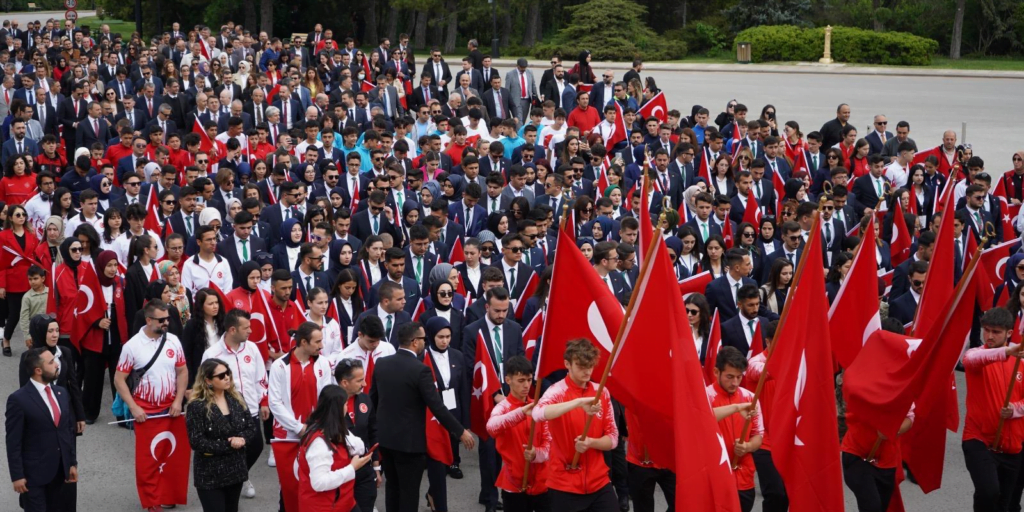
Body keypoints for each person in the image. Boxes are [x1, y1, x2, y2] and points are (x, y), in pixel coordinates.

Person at [371, 321, 475, 512]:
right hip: (410, 445)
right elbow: (437, 406)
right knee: (409, 494)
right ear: (414, 342)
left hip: (387, 440)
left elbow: (374, 401)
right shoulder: (420, 370)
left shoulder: (381, 363)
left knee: (392, 490)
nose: (424, 343)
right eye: (423, 339)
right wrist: (460, 431)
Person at [113, 299, 189, 512]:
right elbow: (119, 379)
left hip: (171, 409)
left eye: (168, 318)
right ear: (148, 320)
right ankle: (152, 501)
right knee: (149, 461)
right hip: (146, 412)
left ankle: (167, 494)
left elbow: (182, 371)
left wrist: (177, 400)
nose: (167, 322)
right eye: (161, 319)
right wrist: (134, 407)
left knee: (170, 456)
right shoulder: (132, 346)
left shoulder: (173, 340)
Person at [531, 338, 619, 511]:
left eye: (590, 366)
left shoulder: (601, 391)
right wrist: (578, 402)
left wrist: (591, 443)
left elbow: (613, 438)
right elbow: (538, 414)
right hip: (564, 483)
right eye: (581, 366)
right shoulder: (556, 390)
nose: (587, 372)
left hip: (598, 481)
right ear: (567, 364)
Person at [200, 308, 269, 499]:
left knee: (256, 447)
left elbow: (260, 378)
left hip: (251, 411)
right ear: (232, 330)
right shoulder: (212, 354)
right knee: (230, 449)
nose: (250, 331)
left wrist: (264, 401)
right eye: (246, 327)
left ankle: (239, 476)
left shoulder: (252, 348)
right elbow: (204, 384)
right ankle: (231, 483)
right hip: (226, 414)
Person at [962, 307, 1024, 511]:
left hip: (1012, 443)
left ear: (1009, 333)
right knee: (989, 491)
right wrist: (1007, 351)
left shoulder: (1021, 362)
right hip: (978, 439)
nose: (989, 336)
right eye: (986, 330)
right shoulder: (976, 355)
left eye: (996, 332)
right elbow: (970, 360)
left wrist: (1016, 410)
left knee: (1005, 503)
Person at [6, 347, 79, 512]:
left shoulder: (61, 393)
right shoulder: (18, 400)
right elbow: (13, 442)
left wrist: (72, 463)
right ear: (38, 370)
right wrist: (17, 476)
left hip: (61, 474)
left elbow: (67, 431)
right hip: (34, 478)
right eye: (51, 362)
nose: (57, 365)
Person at [185, 358, 259, 512]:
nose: (227, 377)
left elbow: (251, 427)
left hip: (235, 470)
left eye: (228, 373)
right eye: (221, 375)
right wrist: (230, 444)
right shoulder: (197, 406)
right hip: (210, 474)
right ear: (208, 380)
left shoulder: (236, 397)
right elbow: (196, 441)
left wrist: (242, 439)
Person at [487, 355, 551, 511]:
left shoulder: (539, 406)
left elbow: (550, 444)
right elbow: (491, 427)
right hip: (514, 483)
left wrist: (536, 454)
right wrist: (521, 412)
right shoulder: (501, 408)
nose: (526, 385)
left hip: (543, 482)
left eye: (529, 380)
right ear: (508, 380)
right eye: (521, 381)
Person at [297, 384, 373, 511]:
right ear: (337, 409)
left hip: (344, 502)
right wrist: (352, 468)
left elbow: (360, 446)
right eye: (345, 404)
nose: (347, 408)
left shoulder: (333, 429)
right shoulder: (319, 443)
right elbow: (319, 483)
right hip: (326, 507)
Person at [424, 316, 471, 512]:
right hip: (433, 416)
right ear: (431, 336)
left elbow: (464, 389)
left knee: (449, 456)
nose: (445, 340)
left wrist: (465, 421)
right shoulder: (424, 357)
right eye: (440, 336)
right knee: (437, 458)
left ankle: (432, 493)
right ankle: (435, 495)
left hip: (453, 412)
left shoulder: (457, 355)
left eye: (448, 336)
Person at [708, 346, 763, 512]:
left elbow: (758, 436)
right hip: (715, 476)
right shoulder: (705, 396)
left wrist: (747, 447)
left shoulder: (750, 398)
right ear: (716, 372)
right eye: (729, 377)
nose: (735, 383)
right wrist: (736, 407)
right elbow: (702, 420)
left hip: (744, 477)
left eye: (739, 377)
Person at [81, 250, 127, 424]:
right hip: (96, 338)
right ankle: (89, 412)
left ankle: (121, 414)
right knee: (93, 377)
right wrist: (96, 322)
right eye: (109, 265)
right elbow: (82, 308)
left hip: (116, 337)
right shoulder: (91, 282)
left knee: (119, 376)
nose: (113, 269)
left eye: (115, 265)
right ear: (101, 266)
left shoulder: (121, 282)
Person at [268, 321, 335, 442]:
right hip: (286, 434)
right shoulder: (279, 366)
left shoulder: (323, 363)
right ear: (304, 342)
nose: (322, 346)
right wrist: (298, 428)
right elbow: (274, 403)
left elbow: (326, 398)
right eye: (317, 342)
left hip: (315, 431)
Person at [334, 357, 382, 512]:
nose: (365, 384)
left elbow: (373, 432)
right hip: (340, 472)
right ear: (344, 382)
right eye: (359, 380)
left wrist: (376, 466)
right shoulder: (330, 405)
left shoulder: (365, 400)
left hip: (364, 470)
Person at [0, 203, 40, 356]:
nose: (21, 217)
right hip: (13, 281)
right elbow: (1, 263)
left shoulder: (31, 235)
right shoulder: (3, 236)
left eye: (23, 215)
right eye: (18, 215)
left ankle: (34, 342)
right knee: (15, 314)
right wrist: (1, 285)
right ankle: (6, 340)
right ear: (10, 218)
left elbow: (36, 257)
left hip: (30, 279)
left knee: (34, 312)